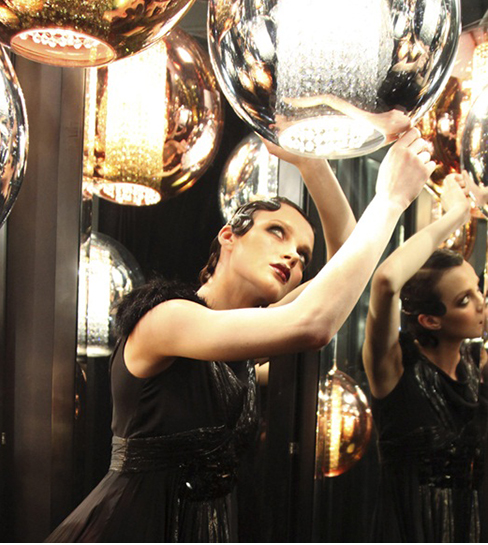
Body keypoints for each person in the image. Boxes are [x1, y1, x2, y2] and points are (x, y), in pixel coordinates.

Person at [47, 127, 434, 543]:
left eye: (304, 255)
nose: (293, 255)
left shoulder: (242, 348)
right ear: (228, 236)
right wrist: (390, 200)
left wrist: (309, 161)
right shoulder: (167, 318)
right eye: (277, 232)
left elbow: (346, 258)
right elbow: (314, 323)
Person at [362, 173, 488, 542]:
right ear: (430, 319)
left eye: (478, 289)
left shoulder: (476, 368)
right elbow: (386, 281)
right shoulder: (393, 368)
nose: (481, 303)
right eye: (464, 300)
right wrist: (454, 216)